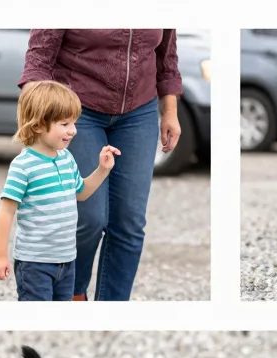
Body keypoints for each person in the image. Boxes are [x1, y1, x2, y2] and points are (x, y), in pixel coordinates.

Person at [20, 29, 183, 301]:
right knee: (89, 218)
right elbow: (39, 58)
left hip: (138, 113)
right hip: (77, 110)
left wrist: (170, 112)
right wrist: (37, 120)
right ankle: (73, 290)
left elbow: (167, 59)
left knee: (129, 222)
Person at [0, 80, 119, 301]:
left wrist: (102, 170)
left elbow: (81, 192)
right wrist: (0, 255)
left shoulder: (66, 158)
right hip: (35, 263)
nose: (73, 130)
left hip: (67, 260)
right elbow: (6, 211)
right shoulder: (24, 166)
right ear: (39, 125)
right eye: (65, 123)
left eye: (74, 123)